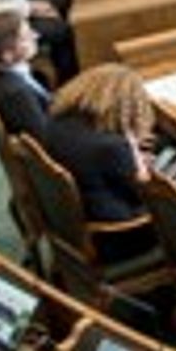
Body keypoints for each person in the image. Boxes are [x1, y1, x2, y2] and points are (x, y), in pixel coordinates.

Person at [42, 64, 155, 228]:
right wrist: (133, 151)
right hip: (122, 230)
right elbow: (144, 194)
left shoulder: (57, 121)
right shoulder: (111, 146)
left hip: (77, 211)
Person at [0, 10, 52, 139]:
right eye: (26, 38)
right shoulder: (16, 93)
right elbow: (43, 135)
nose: (35, 35)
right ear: (7, 55)